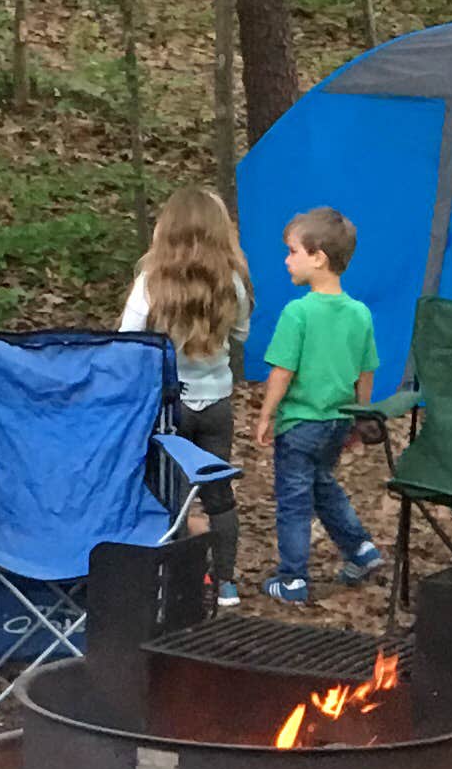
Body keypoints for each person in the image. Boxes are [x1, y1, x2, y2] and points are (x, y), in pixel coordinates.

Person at [120, 185, 251, 603]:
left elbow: (127, 340)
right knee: (217, 494)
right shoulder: (232, 281)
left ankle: (176, 579)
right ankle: (226, 581)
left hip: (167, 409)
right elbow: (243, 332)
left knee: (169, 493)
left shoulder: (151, 281)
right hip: (216, 404)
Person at [254, 207, 383, 603]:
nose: (286, 260)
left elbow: (282, 371)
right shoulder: (360, 314)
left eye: (292, 251)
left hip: (300, 424)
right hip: (337, 422)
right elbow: (365, 373)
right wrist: (360, 419)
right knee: (323, 486)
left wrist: (265, 414)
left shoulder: (298, 313)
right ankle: (361, 549)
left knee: (293, 500)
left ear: (318, 257)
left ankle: (292, 578)